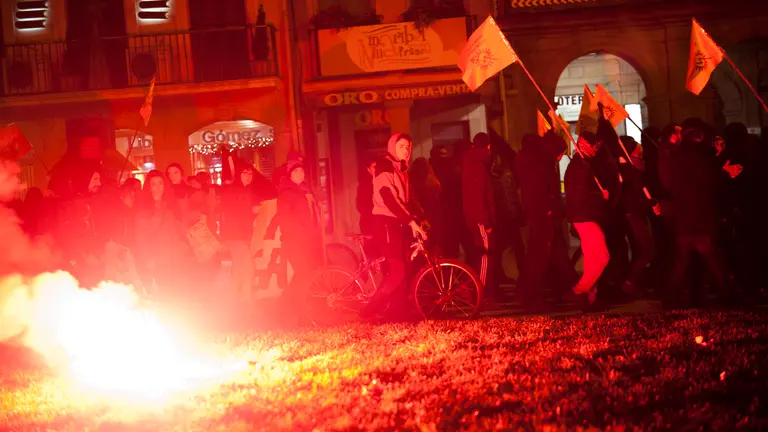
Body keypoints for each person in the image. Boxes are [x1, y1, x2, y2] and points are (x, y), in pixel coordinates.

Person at [665, 118, 741, 309]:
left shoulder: (677, 156)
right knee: (714, 259)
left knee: (682, 261)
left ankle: (670, 297)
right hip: (700, 216)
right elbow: (709, 182)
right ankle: (728, 295)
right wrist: (725, 173)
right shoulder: (699, 156)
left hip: (684, 217)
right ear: (699, 136)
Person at [361, 133, 426, 319]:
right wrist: (410, 221)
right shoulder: (385, 166)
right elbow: (389, 198)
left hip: (397, 222)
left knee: (404, 266)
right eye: (401, 146)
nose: (405, 150)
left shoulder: (402, 168)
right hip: (385, 222)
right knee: (398, 269)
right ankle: (371, 308)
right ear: (392, 148)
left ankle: (398, 311)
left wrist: (420, 216)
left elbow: (408, 198)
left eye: (408, 147)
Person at [515, 131, 578, 311]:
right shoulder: (538, 167)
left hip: (547, 219)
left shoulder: (541, 163)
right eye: (560, 152)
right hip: (543, 220)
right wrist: (549, 211)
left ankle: (569, 289)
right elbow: (539, 195)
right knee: (538, 260)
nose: (561, 157)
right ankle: (531, 298)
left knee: (558, 257)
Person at [564, 132, 610, 306]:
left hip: (585, 215)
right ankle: (579, 290)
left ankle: (590, 297)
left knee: (592, 258)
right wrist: (600, 195)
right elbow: (579, 194)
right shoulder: (580, 166)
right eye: (594, 146)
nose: (596, 149)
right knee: (602, 256)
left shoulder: (583, 164)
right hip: (585, 216)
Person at [220, 163, 276, 305]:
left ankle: (236, 302)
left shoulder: (247, 191)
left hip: (242, 236)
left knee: (240, 269)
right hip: (234, 236)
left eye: (250, 174)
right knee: (248, 268)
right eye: (245, 173)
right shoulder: (233, 191)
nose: (248, 176)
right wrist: (251, 210)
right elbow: (232, 211)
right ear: (239, 175)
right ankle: (243, 301)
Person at [277, 158, 323, 325]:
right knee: (304, 276)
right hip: (294, 242)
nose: (300, 174)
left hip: (306, 240)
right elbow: (286, 219)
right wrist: (300, 234)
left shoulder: (304, 190)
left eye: (302, 171)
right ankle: (302, 315)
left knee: (303, 275)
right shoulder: (287, 193)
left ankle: (283, 304)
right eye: (296, 171)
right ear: (290, 175)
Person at [462, 132, 502, 303]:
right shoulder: (478, 166)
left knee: (482, 255)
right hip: (480, 220)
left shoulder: (471, 163)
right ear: (488, 147)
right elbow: (480, 197)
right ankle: (482, 293)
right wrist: (487, 222)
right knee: (485, 256)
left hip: (474, 218)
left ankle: (482, 290)